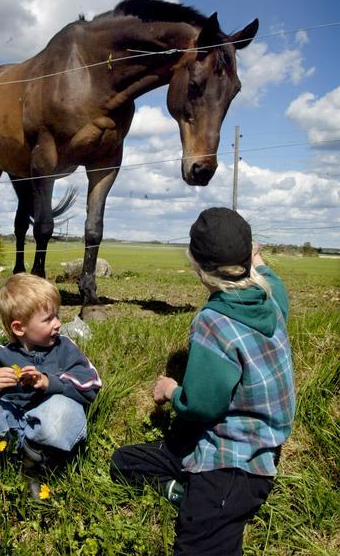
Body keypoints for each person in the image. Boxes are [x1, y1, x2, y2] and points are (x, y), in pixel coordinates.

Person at [110, 207, 295, 556]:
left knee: (195, 546)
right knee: (126, 461)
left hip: (234, 466)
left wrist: (171, 391)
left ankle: (198, 499)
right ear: (249, 258)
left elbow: (202, 404)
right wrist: (253, 257)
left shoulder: (213, 322)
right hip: (258, 440)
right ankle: (181, 491)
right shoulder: (270, 296)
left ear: (196, 264)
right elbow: (270, 276)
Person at [0, 273, 101, 480]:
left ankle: (37, 463)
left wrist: (49, 382)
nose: (58, 324)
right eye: (48, 319)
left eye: (57, 315)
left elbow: (92, 382)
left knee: (64, 411)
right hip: (9, 425)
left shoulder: (65, 348)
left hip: (47, 428)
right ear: (19, 328)